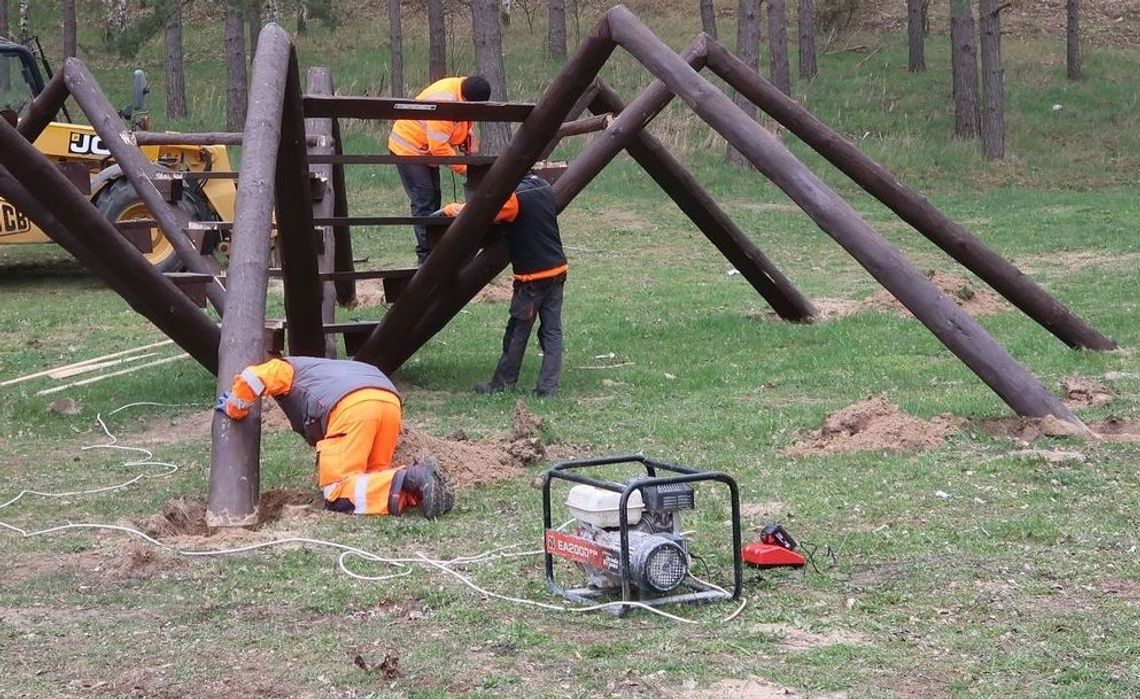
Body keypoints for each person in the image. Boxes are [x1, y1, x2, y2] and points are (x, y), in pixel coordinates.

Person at [215, 355, 453, 518]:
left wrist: (235, 408)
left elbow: (253, 377)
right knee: (372, 479)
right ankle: (422, 492)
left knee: (337, 492)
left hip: (350, 407)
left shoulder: (289, 367)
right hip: (389, 401)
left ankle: (414, 477)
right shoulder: (326, 368)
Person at [439, 173, 567, 397]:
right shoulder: (544, 186)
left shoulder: (513, 199)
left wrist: (449, 209)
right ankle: (549, 389)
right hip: (557, 270)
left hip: (532, 279)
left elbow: (480, 213)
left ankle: (502, 385)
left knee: (517, 331)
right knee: (552, 332)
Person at [388, 75, 492, 265]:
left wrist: (467, 138)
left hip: (426, 150)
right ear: (467, 100)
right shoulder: (445, 102)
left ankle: (435, 251)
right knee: (424, 199)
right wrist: (468, 170)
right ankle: (426, 257)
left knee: (434, 196)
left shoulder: (463, 93)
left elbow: (459, 124)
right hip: (408, 147)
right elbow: (439, 148)